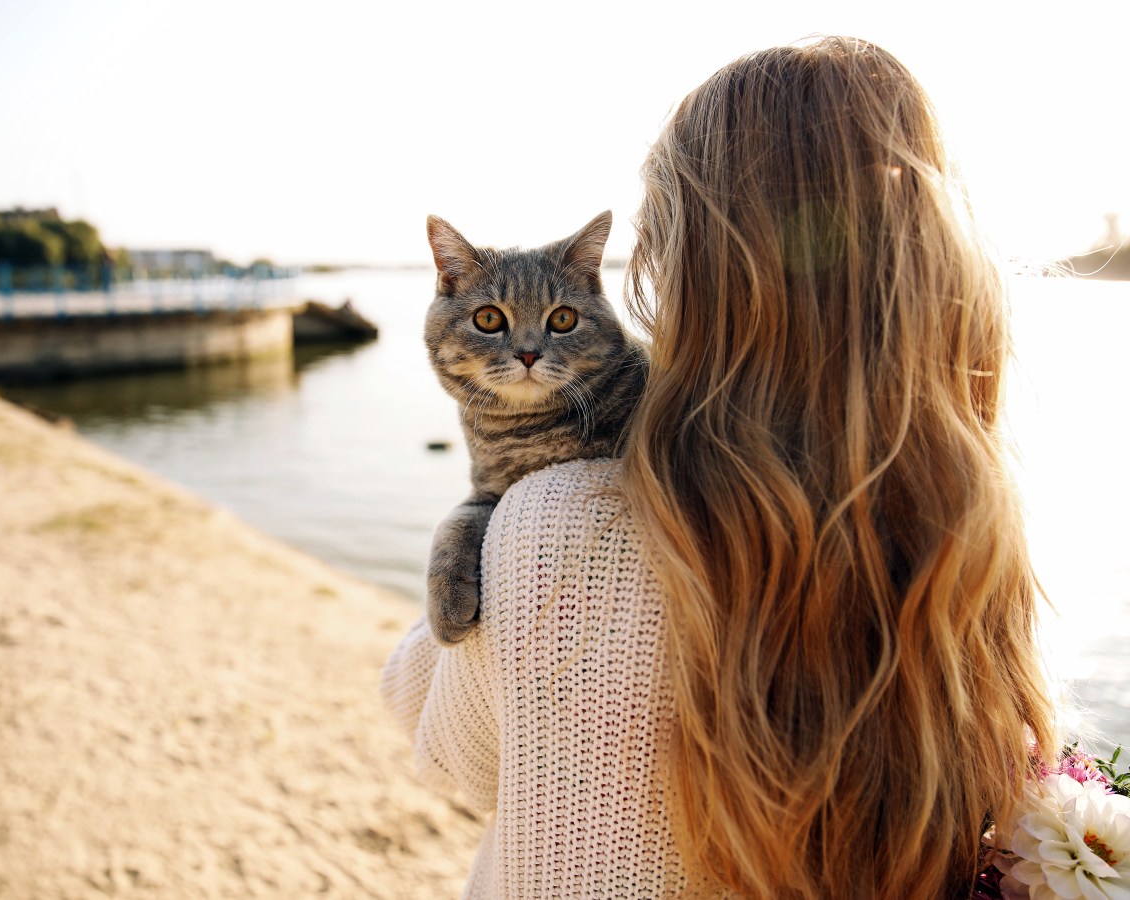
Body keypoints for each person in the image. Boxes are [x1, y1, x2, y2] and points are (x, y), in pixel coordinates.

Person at [381, 36, 1057, 899]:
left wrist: (487, 541)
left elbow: (452, 753)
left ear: (682, 275)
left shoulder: (561, 522)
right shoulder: (970, 541)